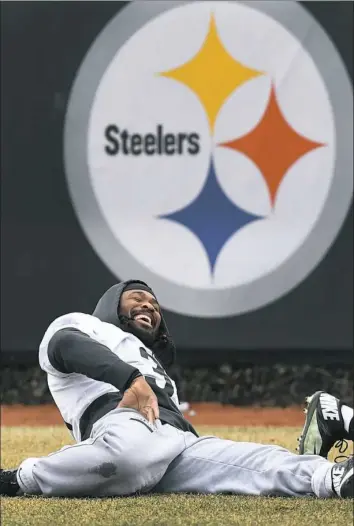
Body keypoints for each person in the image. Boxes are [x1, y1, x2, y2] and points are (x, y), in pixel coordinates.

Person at [1, 280, 353, 498]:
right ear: (110, 304)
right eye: (136, 297)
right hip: (121, 421)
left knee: (253, 463)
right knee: (125, 459)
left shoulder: (153, 364)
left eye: (154, 305)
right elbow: (64, 345)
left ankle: (332, 477)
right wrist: (129, 379)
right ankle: (20, 479)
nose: (148, 306)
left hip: (176, 440)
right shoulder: (88, 325)